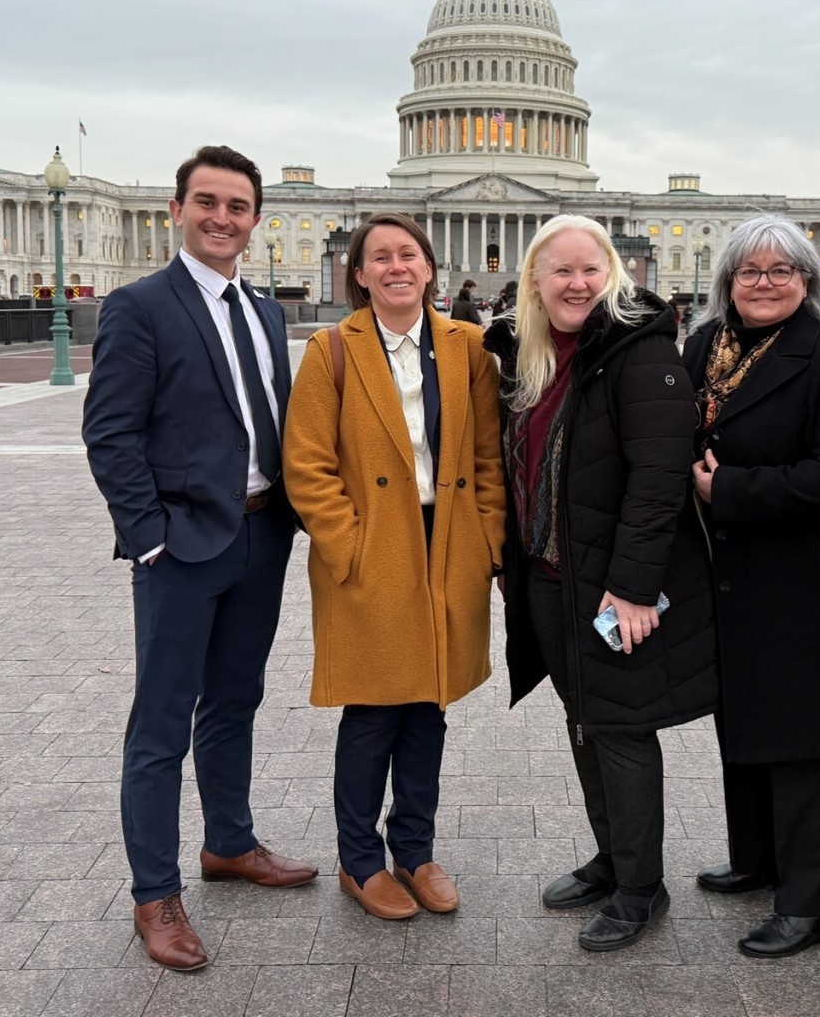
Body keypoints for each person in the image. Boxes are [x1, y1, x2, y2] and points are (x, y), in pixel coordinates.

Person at [82, 145, 317, 972]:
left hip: (260, 535)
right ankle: (155, 893)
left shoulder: (262, 309)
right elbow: (109, 431)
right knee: (160, 723)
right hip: (182, 545)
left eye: (238, 206)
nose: (222, 218)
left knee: (235, 701)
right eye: (207, 202)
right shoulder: (141, 305)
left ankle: (229, 842)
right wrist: (150, 536)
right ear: (179, 209)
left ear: (255, 219)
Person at [484, 215, 718, 952]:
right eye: (561, 271)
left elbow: (657, 484)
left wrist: (633, 588)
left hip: (612, 584)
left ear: (613, 274)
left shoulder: (641, 354)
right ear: (534, 281)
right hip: (552, 573)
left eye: (591, 270)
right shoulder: (530, 357)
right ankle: (613, 856)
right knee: (584, 718)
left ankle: (641, 888)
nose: (577, 283)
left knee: (619, 727)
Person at [282, 213, 505, 920]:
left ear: (430, 269)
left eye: (407, 254)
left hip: (448, 543)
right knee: (373, 709)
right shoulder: (331, 349)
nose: (395, 266)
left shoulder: (467, 346)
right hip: (375, 543)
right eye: (379, 257)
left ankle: (414, 850)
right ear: (359, 274)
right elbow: (307, 463)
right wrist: (347, 545)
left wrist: (488, 544)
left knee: (427, 708)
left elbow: (488, 460)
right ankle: (360, 860)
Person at [682, 215, 820, 959]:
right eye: (748, 272)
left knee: (803, 742)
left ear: (807, 281)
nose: (763, 284)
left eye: (780, 271)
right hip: (730, 574)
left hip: (807, 580)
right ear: (726, 282)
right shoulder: (704, 347)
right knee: (744, 724)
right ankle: (756, 858)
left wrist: (730, 490)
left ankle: (809, 901)